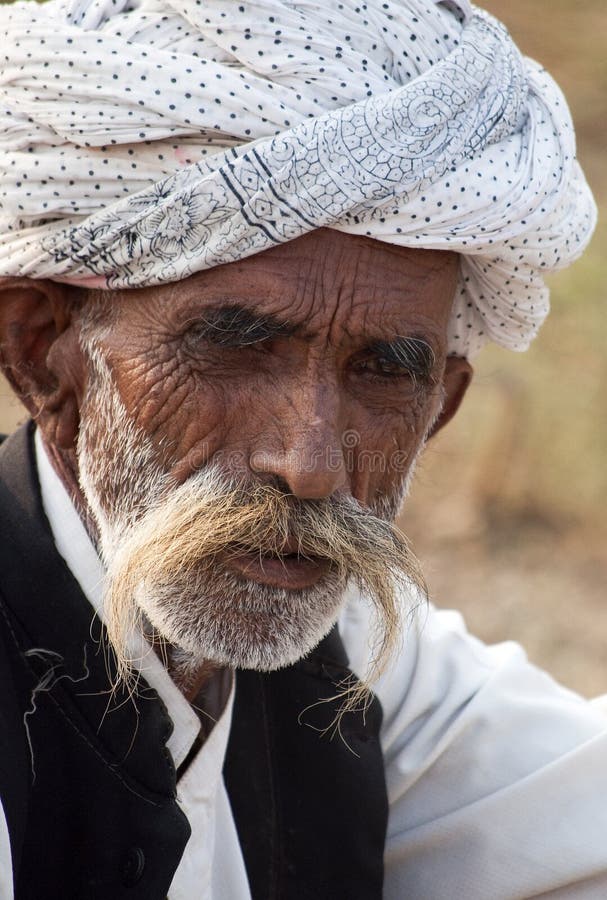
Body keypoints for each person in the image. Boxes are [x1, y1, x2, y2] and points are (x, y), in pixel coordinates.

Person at [0, 0, 605, 897]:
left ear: (439, 409)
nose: (311, 464)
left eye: (385, 373)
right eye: (234, 348)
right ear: (42, 350)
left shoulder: (352, 668)